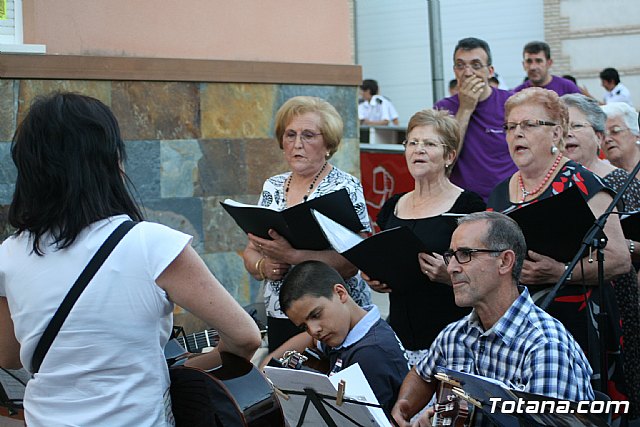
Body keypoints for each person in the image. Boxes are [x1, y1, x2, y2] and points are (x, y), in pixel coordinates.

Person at [0, 93, 261, 426]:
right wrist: (181, 371)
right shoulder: (152, 244)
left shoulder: (8, 255)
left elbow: (8, 354)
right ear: (109, 162)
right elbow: (245, 336)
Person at [487, 87, 631, 407]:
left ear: (556, 132)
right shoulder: (499, 193)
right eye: (511, 127)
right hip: (514, 331)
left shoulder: (585, 184)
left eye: (528, 125)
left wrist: (559, 272)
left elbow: (620, 259)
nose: (516, 134)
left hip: (575, 327)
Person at [391, 212, 594, 426]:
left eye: (466, 254)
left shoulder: (547, 348)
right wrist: (403, 407)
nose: (450, 267)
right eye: (451, 255)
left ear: (505, 261)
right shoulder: (455, 335)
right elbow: (423, 374)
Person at [242, 96, 372, 353]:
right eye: (290, 135)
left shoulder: (344, 187)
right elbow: (250, 250)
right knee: (285, 386)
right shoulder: (273, 186)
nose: (297, 144)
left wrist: (292, 256)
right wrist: (264, 265)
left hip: (334, 318)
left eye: (309, 135)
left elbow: (354, 261)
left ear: (328, 143)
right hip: (282, 312)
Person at [362, 109, 485, 365]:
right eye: (412, 143)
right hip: (399, 338)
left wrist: (449, 276)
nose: (418, 150)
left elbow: (486, 276)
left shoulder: (469, 205)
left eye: (429, 144)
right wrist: (376, 276)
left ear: (449, 156)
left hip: (453, 341)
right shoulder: (392, 206)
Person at [561, 93, 640, 419]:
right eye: (560, 125)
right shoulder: (557, 182)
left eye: (575, 126)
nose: (566, 134)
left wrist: (628, 248)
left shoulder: (620, 180)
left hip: (616, 299)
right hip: (570, 306)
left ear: (598, 135)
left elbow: (632, 244)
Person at [262, 260, 409, 413]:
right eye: (304, 326)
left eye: (316, 315)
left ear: (340, 293)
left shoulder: (371, 355)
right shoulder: (344, 332)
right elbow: (310, 339)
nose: (313, 330)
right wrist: (265, 368)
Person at [434, 37, 517, 201]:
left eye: (476, 65)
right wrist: (465, 108)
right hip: (464, 202)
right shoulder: (443, 108)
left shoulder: (512, 103)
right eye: (460, 65)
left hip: (508, 199)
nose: (468, 72)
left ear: (490, 71)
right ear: (454, 70)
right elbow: (443, 159)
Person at [513, 41, 581, 96]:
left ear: (549, 63)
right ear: (523, 65)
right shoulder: (517, 95)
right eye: (529, 61)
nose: (533, 67)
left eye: (538, 61)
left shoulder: (568, 88)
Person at [601, 102, 640, 181]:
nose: (607, 139)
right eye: (602, 136)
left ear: (636, 133)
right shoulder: (600, 177)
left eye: (615, 131)